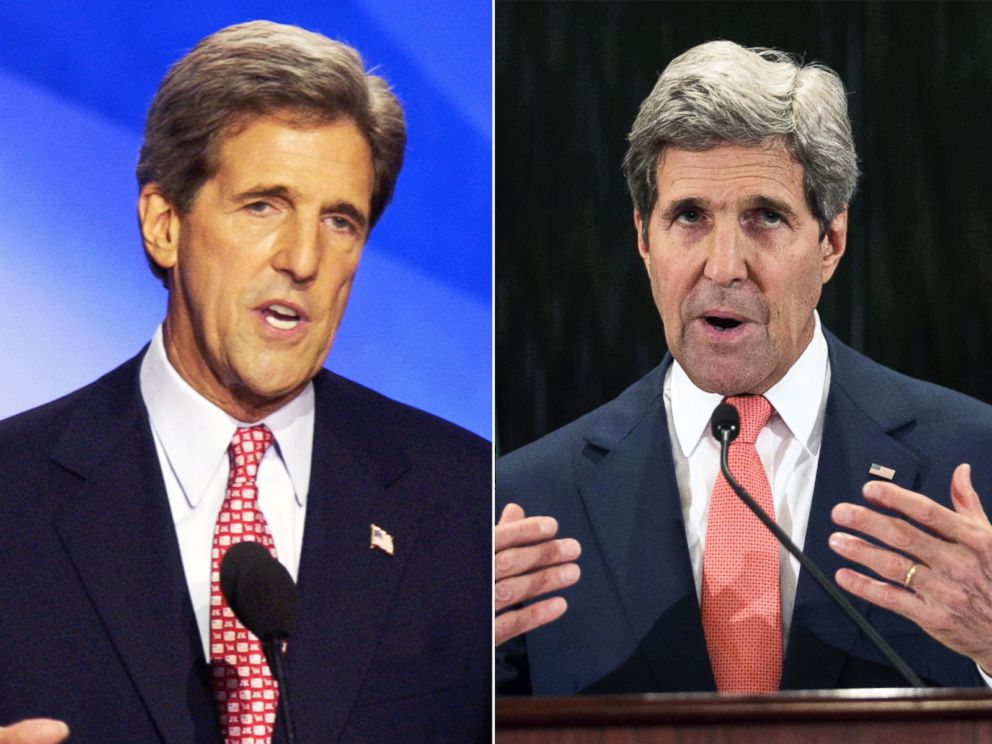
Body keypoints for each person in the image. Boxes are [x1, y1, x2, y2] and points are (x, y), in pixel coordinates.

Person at [0, 21, 490, 742]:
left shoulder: (467, 500)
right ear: (164, 224)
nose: (303, 258)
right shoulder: (13, 493)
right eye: (264, 205)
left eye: (340, 221)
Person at [495, 40, 992, 695]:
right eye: (690, 217)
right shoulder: (529, 503)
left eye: (765, 217)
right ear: (644, 238)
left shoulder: (972, 458)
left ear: (831, 242)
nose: (724, 264)